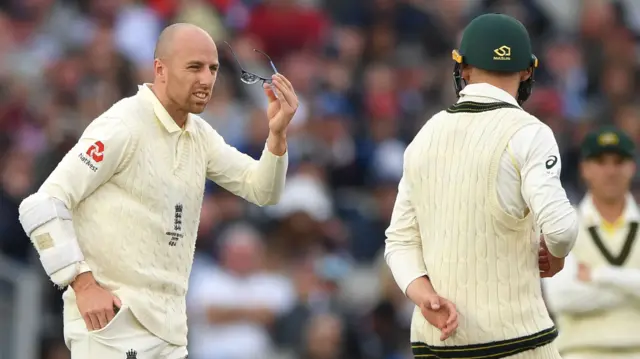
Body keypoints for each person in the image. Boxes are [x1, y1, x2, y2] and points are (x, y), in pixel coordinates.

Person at [17, 23, 298, 359]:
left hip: (170, 332)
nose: (207, 80)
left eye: (213, 69)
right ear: (160, 70)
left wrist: (277, 135)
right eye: (194, 67)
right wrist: (82, 282)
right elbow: (41, 205)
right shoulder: (123, 125)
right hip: (114, 327)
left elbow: (262, 190)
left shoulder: (200, 135)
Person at [384, 13, 578, 359]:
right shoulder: (530, 133)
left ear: (465, 69)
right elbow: (561, 230)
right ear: (527, 71)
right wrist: (558, 256)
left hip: (438, 344)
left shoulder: (424, 136)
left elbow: (399, 241)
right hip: (517, 343)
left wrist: (423, 295)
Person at [543, 127, 640, 359]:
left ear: (632, 168)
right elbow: (561, 297)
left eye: (618, 162)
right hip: (579, 351)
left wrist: (599, 276)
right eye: (600, 162)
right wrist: (631, 286)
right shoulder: (564, 226)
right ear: (584, 169)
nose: (610, 171)